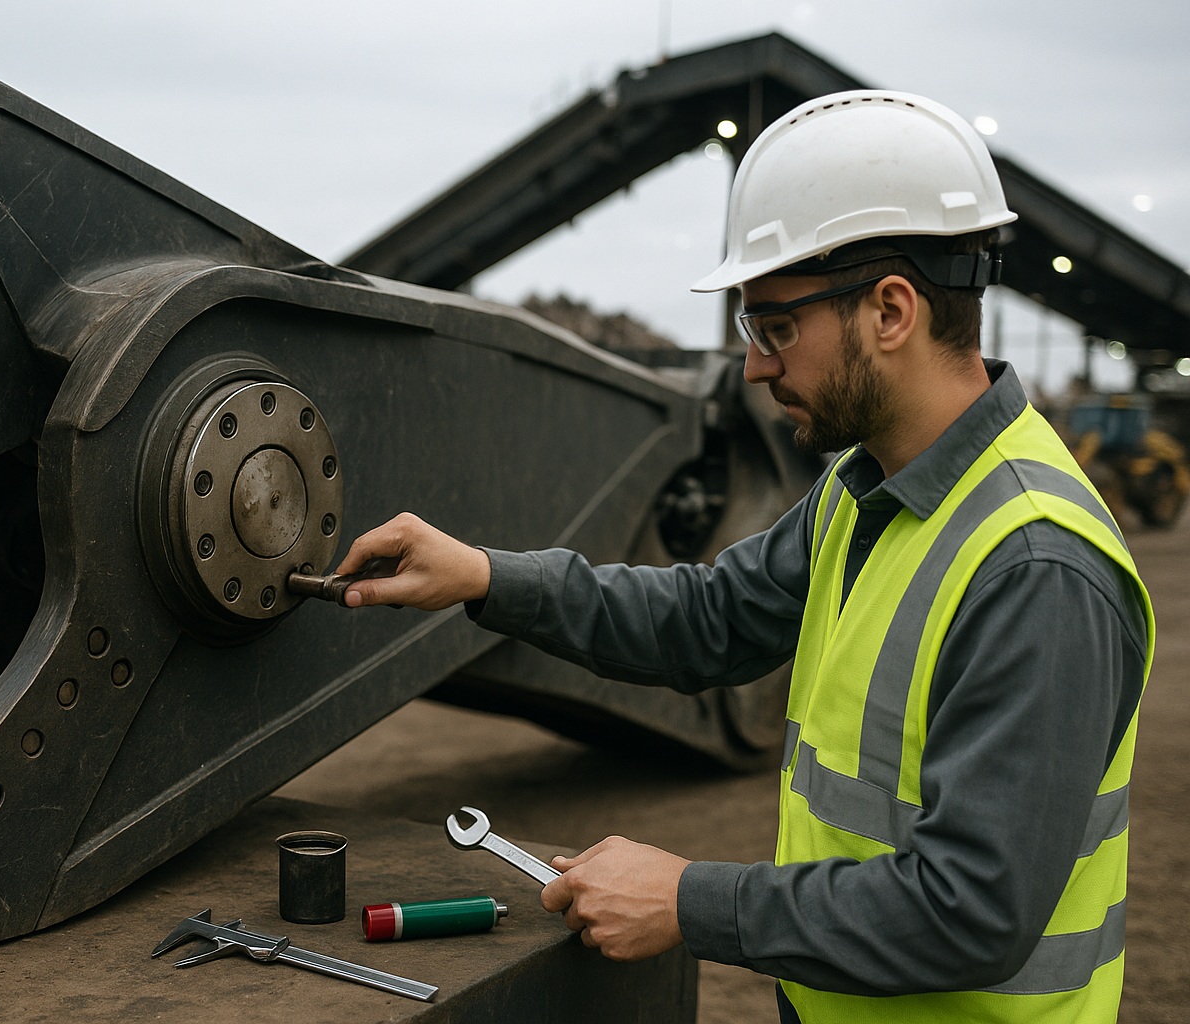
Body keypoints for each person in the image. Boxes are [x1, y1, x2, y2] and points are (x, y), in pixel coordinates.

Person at [330, 90, 1152, 1023]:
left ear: (891, 310)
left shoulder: (1035, 567)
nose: (755, 367)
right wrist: (484, 575)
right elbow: (708, 622)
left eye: (775, 327)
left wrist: (687, 899)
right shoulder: (864, 488)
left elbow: (973, 911)